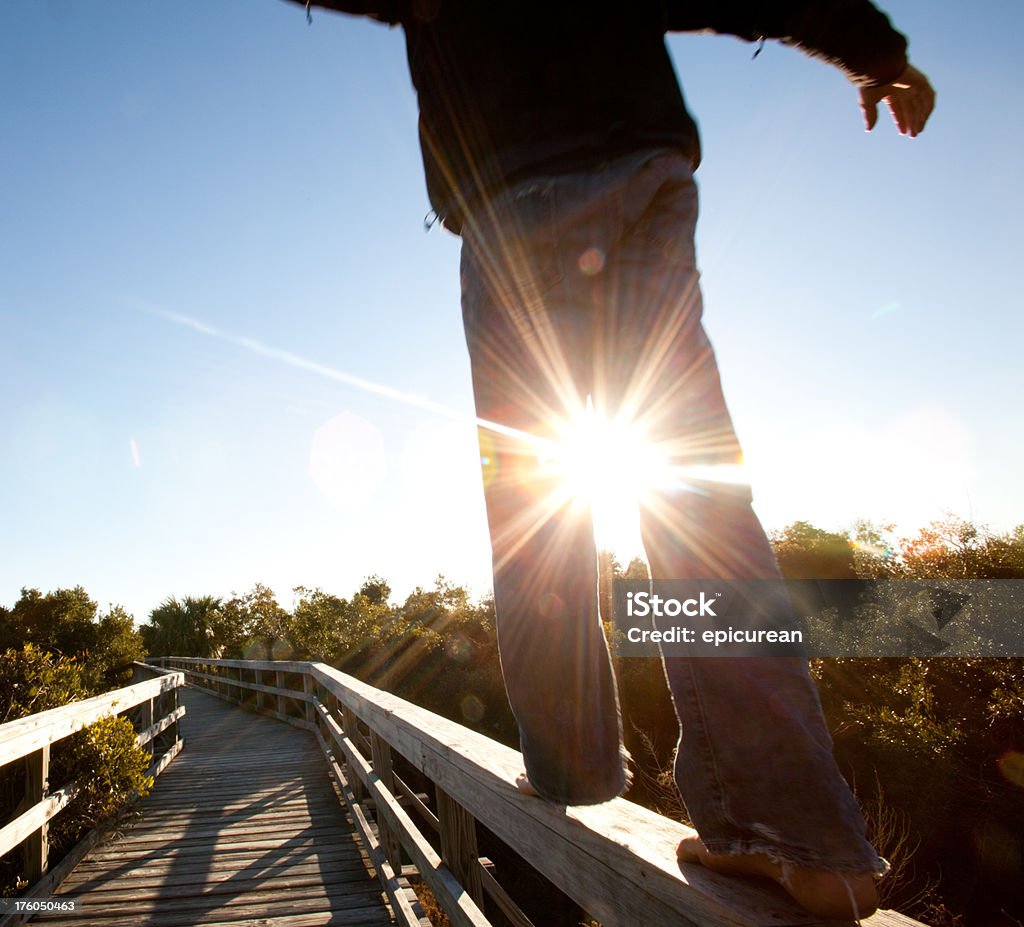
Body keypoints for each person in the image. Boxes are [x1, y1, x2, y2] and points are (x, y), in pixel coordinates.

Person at [285, 1, 935, 919]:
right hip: (642, 169)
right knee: (693, 490)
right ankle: (802, 835)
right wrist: (873, 51)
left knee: (535, 499)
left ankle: (571, 765)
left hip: (513, 199)